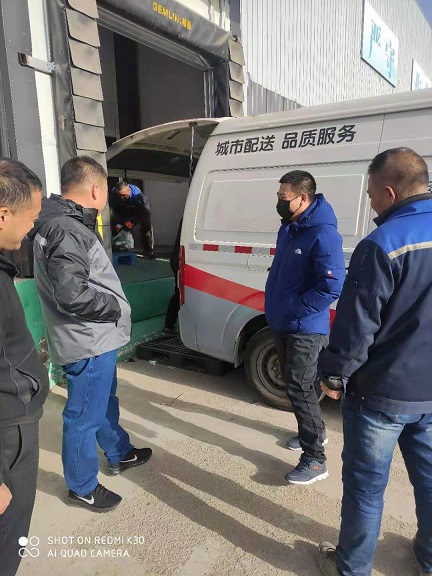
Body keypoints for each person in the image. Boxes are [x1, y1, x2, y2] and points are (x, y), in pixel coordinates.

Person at [317, 148, 432, 576]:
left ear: (389, 192)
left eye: (370, 195)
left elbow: (356, 328)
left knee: (365, 490)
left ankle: (351, 568)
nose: (370, 203)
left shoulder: (382, 244)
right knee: (431, 481)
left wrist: (333, 374)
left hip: (381, 393)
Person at [31, 156, 152, 513]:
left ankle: (119, 452)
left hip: (96, 338)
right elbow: (72, 294)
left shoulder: (68, 222)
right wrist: (114, 308)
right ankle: (82, 487)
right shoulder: (65, 228)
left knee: (103, 401)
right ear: (97, 189)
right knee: (83, 416)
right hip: (87, 340)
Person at [265, 170, 345, 485]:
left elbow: (331, 286)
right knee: (299, 383)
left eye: (283, 197)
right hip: (284, 321)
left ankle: (315, 460)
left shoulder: (324, 234)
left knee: (299, 387)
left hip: (305, 327)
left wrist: (297, 310)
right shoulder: (289, 228)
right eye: (278, 196)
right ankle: (316, 432)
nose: (279, 202)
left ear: (303, 198)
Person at [0, 159, 50, 576]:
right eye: (30, 217)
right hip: (7, 435)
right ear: (3, 215)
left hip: (12, 425)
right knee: (8, 535)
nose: (32, 228)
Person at [109, 181, 154, 258]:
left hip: (136, 210)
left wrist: (132, 222)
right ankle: (115, 247)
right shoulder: (114, 193)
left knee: (146, 225)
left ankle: (148, 251)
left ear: (129, 190)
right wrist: (119, 222)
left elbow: (145, 212)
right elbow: (112, 210)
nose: (121, 197)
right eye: (119, 195)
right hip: (121, 210)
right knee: (115, 226)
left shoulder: (138, 195)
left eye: (123, 195)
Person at [163, 218, 182, 335]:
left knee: (179, 293)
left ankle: (169, 326)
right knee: (180, 293)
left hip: (179, 260)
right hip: (181, 261)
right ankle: (169, 325)